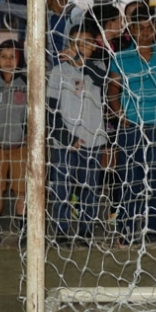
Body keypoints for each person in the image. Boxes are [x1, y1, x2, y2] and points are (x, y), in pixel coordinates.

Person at [107, 3, 156, 243]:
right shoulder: (120, 58)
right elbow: (112, 91)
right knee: (130, 179)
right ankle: (126, 230)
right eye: (140, 28)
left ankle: (152, 229)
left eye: (149, 28)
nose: (145, 33)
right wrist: (120, 117)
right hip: (131, 129)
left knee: (154, 179)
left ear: (155, 29)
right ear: (132, 30)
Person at [47, 25, 105, 243]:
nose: (81, 48)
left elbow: (102, 80)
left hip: (93, 139)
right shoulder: (58, 71)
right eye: (77, 43)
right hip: (65, 142)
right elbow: (51, 108)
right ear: (69, 45)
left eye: (87, 43)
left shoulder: (99, 67)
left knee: (89, 186)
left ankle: (86, 229)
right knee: (61, 187)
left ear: (94, 47)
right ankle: (61, 229)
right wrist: (66, 138)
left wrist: (83, 63)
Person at [0, 40, 28, 242]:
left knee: (22, 191)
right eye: (4, 56)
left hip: (21, 148)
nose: (8, 61)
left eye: (13, 56)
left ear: (20, 58)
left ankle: (24, 232)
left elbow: (36, 113)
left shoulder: (28, 83)